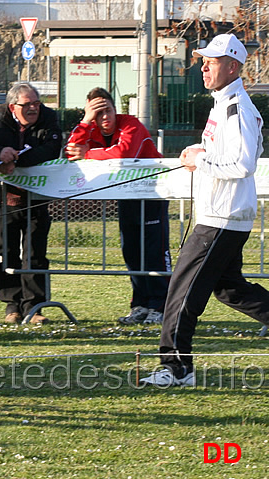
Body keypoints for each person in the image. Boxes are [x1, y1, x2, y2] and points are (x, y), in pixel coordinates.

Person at [140, 34, 269, 387]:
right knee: (229, 289)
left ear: (233, 66)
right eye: (204, 61)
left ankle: (177, 369)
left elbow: (242, 164)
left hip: (220, 218)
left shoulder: (237, 107)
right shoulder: (224, 102)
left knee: (181, 293)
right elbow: (237, 152)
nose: (204, 67)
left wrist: (202, 160)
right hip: (225, 215)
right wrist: (200, 151)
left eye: (211, 61)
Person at [65, 87, 171, 326]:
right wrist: (84, 122)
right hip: (126, 196)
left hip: (152, 195)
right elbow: (71, 150)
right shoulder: (90, 127)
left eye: (108, 110)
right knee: (131, 252)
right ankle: (141, 304)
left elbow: (123, 154)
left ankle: (161, 305)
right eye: (98, 113)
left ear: (116, 110)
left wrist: (88, 153)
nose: (105, 117)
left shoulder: (132, 124)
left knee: (154, 251)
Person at [0, 82, 62, 325]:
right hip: (2, 197)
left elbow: (52, 149)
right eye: (28, 104)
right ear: (13, 106)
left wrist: (18, 159)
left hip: (35, 197)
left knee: (36, 251)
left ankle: (35, 306)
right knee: (5, 252)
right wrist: (1, 152)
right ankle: (12, 306)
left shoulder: (49, 118)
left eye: (37, 103)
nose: (34, 108)